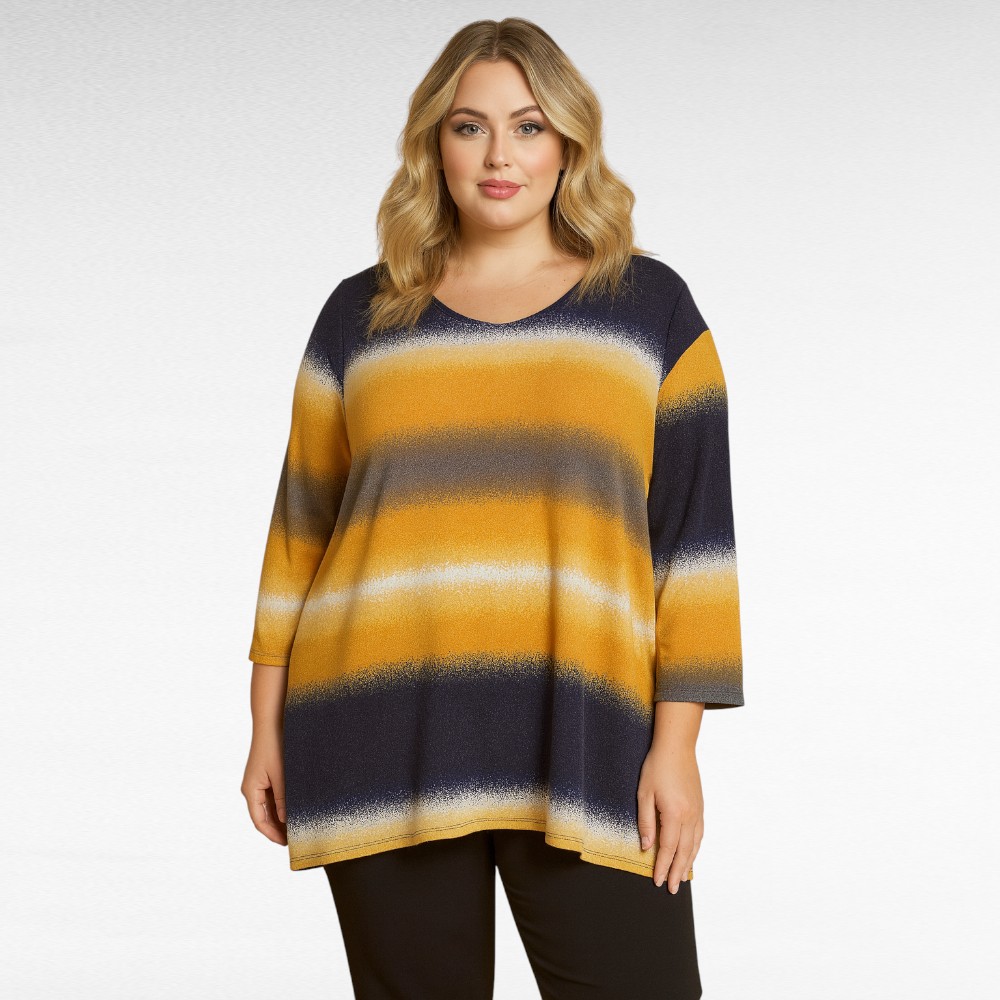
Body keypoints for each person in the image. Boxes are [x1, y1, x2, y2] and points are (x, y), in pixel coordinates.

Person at [241, 17, 745, 1000]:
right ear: (434, 144)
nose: (499, 155)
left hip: (588, 732)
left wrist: (677, 748)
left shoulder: (650, 310)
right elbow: (300, 534)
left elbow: (694, 546)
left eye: (528, 126)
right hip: (376, 720)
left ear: (569, 142)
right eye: (470, 127)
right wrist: (265, 726)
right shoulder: (359, 316)